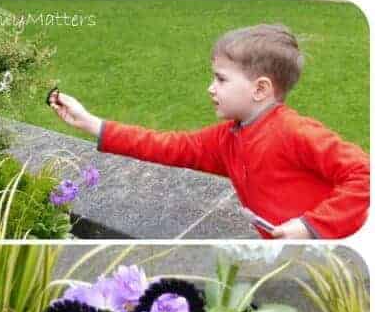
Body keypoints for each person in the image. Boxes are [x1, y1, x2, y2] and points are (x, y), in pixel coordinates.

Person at [50, 24, 369, 239]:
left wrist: (308, 226)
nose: (211, 88)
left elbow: (363, 174)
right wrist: (92, 123)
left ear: (260, 89)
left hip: (335, 254)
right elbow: (166, 146)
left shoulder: (295, 132)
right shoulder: (227, 138)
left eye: (221, 79)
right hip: (290, 254)